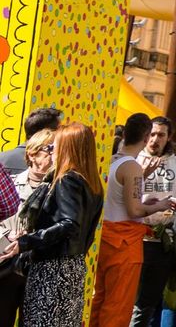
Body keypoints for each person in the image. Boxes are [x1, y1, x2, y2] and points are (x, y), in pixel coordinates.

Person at [89, 113, 176, 327]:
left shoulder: (112, 160)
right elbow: (134, 209)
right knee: (118, 303)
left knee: (100, 299)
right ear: (147, 136)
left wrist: (143, 176)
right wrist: (162, 204)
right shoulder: (131, 166)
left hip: (106, 237)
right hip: (123, 242)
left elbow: (117, 196)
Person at [9, 122, 103, 326]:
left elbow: (69, 224)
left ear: (68, 148)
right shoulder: (92, 183)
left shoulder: (67, 180)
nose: (52, 151)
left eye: (55, 146)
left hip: (53, 268)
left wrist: (27, 241)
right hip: (73, 266)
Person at [133, 115, 176, 327]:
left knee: (148, 303)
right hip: (136, 236)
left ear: (168, 138)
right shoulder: (135, 159)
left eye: (161, 135)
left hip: (163, 239)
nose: (155, 139)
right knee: (130, 299)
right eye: (152, 134)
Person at [0, 129, 53, 325]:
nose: (55, 156)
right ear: (32, 154)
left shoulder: (57, 189)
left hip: (38, 268)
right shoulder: (11, 184)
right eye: (49, 150)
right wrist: (8, 234)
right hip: (7, 267)